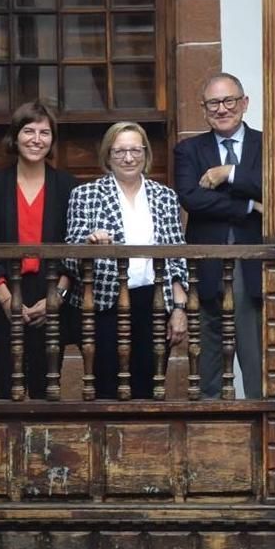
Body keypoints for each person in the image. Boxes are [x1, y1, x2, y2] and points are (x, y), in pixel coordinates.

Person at [174, 72, 275, 399]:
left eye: (229, 101)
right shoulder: (189, 150)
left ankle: (263, 429)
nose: (222, 109)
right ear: (203, 108)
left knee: (257, 360)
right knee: (207, 360)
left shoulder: (268, 144)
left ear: (244, 103)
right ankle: (210, 432)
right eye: (213, 103)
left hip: (253, 266)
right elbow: (191, 198)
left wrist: (229, 172)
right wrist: (251, 204)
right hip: (206, 265)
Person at [63, 122, 191, 400]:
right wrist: (89, 244)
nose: (129, 158)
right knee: (106, 391)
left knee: (149, 390)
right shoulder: (85, 194)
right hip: (103, 305)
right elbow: (70, 258)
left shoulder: (165, 196)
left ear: (146, 153)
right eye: (120, 151)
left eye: (135, 150)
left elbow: (177, 256)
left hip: (154, 302)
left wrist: (179, 308)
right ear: (108, 155)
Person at [0, 101, 81, 400]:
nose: (37, 139)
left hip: (50, 292)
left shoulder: (67, 185)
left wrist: (57, 296)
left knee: (46, 389)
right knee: (6, 389)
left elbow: (73, 245)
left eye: (45, 132)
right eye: (29, 130)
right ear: (15, 135)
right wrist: (5, 297)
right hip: (5, 292)